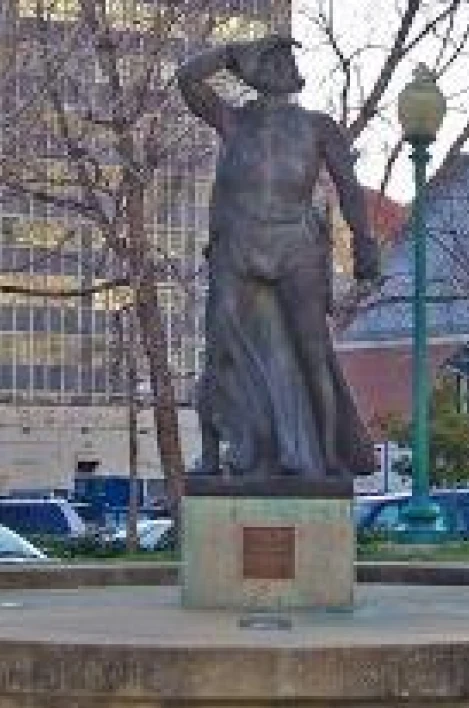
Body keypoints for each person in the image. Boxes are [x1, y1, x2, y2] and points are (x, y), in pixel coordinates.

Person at [178, 36, 379, 479]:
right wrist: (233, 52)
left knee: (313, 352)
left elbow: (349, 188)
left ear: (295, 77)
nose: (279, 67)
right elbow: (187, 78)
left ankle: (327, 455)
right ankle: (211, 454)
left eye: (285, 61)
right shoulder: (233, 120)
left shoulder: (318, 127)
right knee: (219, 351)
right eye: (269, 61)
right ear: (253, 72)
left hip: (294, 244)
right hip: (239, 243)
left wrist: (365, 243)